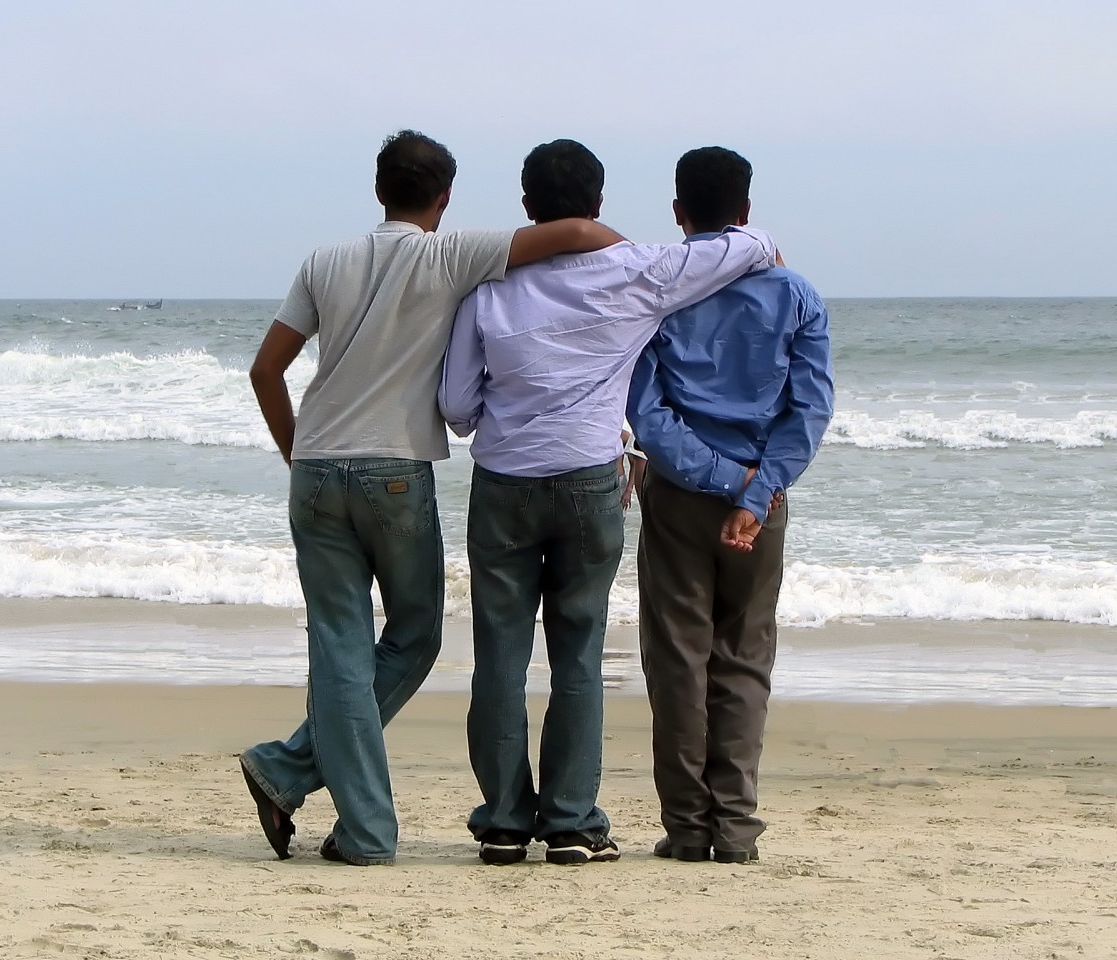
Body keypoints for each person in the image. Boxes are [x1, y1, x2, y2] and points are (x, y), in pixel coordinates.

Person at [238, 130, 626, 866]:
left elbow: (266, 371)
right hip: (396, 473)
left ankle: (343, 813)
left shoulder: (323, 261)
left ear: (377, 189)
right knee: (414, 635)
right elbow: (576, 232)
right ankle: (305, 782)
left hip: (316, 470)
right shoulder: (450, 255)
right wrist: (636, 256)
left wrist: (298, 453)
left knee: (339, 645)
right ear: (444, 197)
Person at [437, 139, 779, 866]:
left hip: (503, 483)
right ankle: (570, 821)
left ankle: (504, 821)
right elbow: (740, 247)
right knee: (579, 654)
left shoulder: (488, 289)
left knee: (499, 654)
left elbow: (457, 407)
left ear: (527, 206)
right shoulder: (637, 271)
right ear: (597, 206)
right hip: (589, 481)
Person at [626, 146, 833, 865]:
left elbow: (647, 415)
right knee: (744, 657)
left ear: (679, 212)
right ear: (745, 212)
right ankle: (737, 825)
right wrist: (755, 489)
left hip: (680, 495)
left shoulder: (661, 297)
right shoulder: (797, 294)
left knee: (677, 658)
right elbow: (809, 411)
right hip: (759, 499)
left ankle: (688, 828)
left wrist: (717, 478)